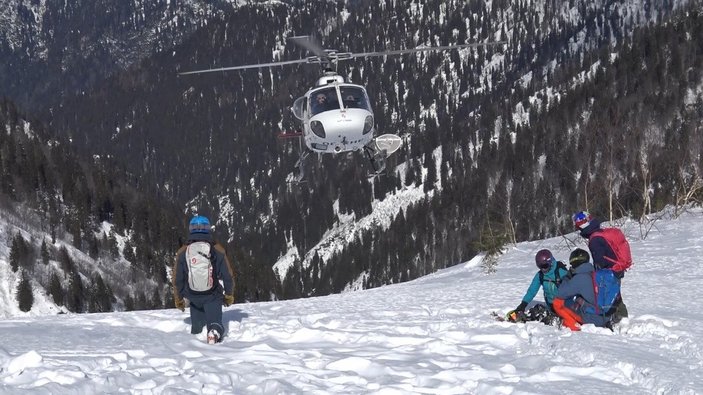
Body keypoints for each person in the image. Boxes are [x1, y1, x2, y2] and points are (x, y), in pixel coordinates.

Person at [172, 215, 235, 344]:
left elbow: (177, 279)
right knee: (214, 322)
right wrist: (229, 295)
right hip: (212, 295)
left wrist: (178, 299)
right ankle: (214, 332)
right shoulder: (217, 250)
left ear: (191, 230)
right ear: (208, 229)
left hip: (193, 296)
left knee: (197, 329)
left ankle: (195, 340)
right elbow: (228, 275)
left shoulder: (183, 251)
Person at [572, 211, 629, 321]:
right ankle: (622, 318)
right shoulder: (599, 232)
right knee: (615, 295)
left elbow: (600, 261)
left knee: (611, 297)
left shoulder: (595, 240)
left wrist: (594, 273)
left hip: (610, 272)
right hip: (617, 268)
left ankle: (617, 319)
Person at [552, 248, 615, 331]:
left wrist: (567, 278)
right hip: (606, 315)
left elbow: (560, 293)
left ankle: (573, 326)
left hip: (593, 318)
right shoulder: (596, 273)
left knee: (557, 301)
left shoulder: (580, 278)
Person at [506, 249, 569, 323]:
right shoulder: (540, 275)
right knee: (536, 311)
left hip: (564, 306)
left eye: (545, 266)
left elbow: (573, 288)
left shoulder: (561, 272)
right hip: (551, 306)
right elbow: (532, 290)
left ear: (551, 262)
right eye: (540, 266)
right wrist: (523, 305)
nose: (543, 269)